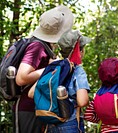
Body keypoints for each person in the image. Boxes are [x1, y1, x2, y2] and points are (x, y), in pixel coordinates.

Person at [14, 5, 74, 133]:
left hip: (37, 108)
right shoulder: (37, 47)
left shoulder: (43, 46)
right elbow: (21, 78)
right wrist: (51, 67)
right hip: (28, 109)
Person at [28, 30, 91, 133]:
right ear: (80, 51)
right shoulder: (78, 70)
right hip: (70, 123)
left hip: (50, 124)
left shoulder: (53, 67)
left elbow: (31, 93)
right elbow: (82, 101)